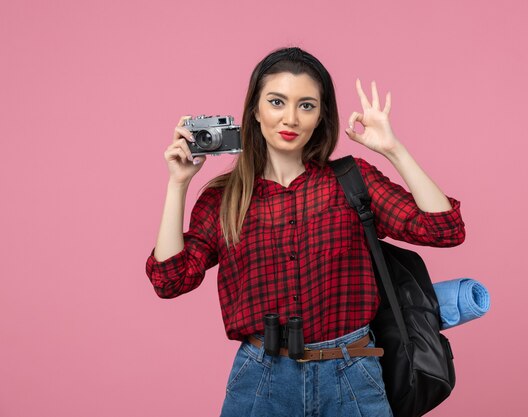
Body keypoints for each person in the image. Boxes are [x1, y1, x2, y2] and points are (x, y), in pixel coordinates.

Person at [145, 47, 466, 417]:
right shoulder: (225, 198)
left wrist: (393, 150)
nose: (291, 118)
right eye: (277, 101)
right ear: (255, 110)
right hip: (261, 379)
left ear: (321, 117)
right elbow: (170, 281)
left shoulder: (349, 180)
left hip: (352, 373)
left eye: (307, 105)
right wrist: (178, 185)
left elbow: (444, 229)